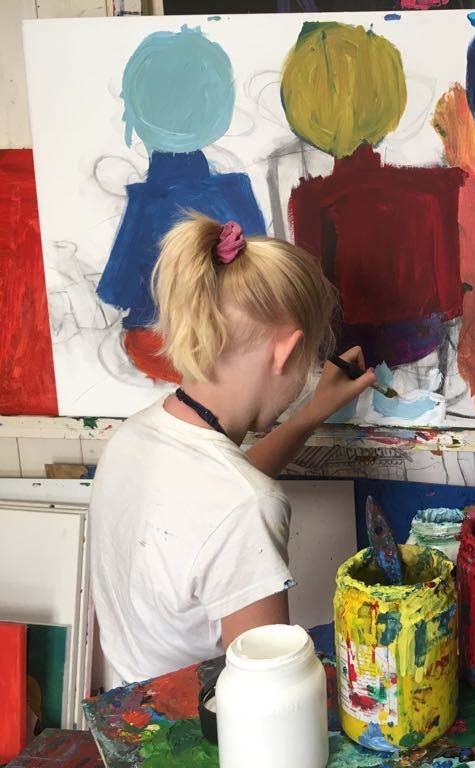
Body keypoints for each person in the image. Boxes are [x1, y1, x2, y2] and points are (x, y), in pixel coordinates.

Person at [89, 212, 375, 687]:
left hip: (131, 710)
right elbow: (265, 696)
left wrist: (310, 412)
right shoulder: (243, 505)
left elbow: (213, 510)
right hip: (195, 726)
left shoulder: (132, 438)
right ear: (287, 352)